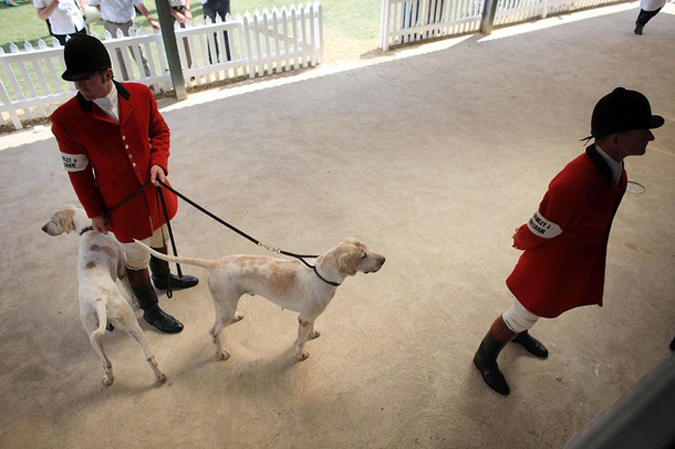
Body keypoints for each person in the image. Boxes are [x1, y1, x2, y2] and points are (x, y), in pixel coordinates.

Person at [473, 87, 664, 395]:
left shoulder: (612, 167)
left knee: (533, 310)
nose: (650, 138)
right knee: (521, 312)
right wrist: (520, 239)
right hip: (550, 266)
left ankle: (518, 334)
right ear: (616, 138)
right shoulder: (575, 182)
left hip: (571, 263)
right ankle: (485, 356)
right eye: (643, 131)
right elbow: (540, 227)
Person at [50, 35, 198, 334]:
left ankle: (164, 278)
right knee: (135, 258)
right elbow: (78, 173)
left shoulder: (140, 94)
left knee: (159, 237)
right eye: (74, 80)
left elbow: (159, 130)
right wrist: (95, 212)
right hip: (120, 203)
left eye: (86, 78)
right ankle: (151, 310)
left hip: (155, 191)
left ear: (108, 73)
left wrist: (158, 161)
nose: (79, 86)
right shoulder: (65, 120)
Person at [90, 0, 159, 80]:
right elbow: (94, 4)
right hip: (110, 24)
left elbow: (139, 3)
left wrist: (150, 19)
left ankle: (149, 79)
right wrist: (104, 13)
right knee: (118, 55)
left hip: (128, 23)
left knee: (137, 51)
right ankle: (125, 82)